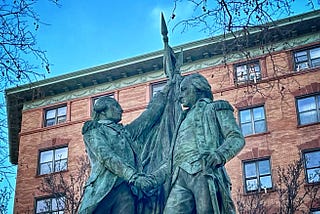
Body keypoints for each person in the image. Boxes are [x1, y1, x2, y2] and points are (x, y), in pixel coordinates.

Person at [79, 85, 169, 214]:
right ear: (103, 112)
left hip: (127, 190)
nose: (121, 109)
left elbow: (148, 117)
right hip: (102, 189)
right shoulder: (94, 130)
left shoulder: (126, 133)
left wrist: (165, 92)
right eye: (115, 106)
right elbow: (107, 157)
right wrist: (133, 176)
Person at [163, 73, 245, 214]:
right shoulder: (181, 120)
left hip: (204, 170)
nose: (180, 96)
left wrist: (220, 154)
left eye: (184, 90)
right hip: (179, 175)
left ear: (198, 88)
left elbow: (236, 138)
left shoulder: (215, 108)